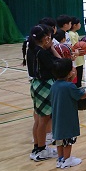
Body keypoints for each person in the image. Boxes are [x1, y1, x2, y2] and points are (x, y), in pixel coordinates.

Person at [50, 58, 86, 169]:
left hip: (56, 119)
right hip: (67, 119)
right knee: (67, 141)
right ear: (69, 73)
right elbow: (81, 95)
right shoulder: (69, 86)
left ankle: (60, 159)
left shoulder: (54, 85)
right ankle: (67, 160)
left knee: (59, 140)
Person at [27, 24, 59, 162]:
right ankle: (41, 149)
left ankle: (37, 147)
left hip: (35, 84)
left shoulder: (31, 49)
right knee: (44, 120)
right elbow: (56, 65)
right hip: (44, 85)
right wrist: (52, 49)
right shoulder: (43, 53)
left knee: (39, 119)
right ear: (46, 39)